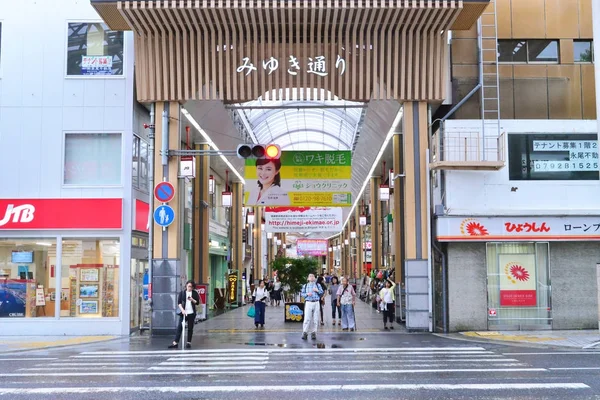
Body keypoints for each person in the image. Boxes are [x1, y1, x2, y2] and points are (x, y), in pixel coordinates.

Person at [168, 280, 200, 349]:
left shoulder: (194, 293)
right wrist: (182, 310)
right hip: (184, 313)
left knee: (190, 328)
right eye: (188, 286)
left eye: (191, 287)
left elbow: (197, 302)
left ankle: (188, 342)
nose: (190, 288)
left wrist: (192, 300)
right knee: (180, 327)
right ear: (186, 286)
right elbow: (179, 303)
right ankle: (175, 342)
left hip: (191, 313)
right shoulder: (182, 293)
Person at [300, 273, 323, 340]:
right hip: (308, 302)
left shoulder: (318, 285)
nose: (312, 277)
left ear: (315, 278)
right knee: (307, 318)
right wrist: (307, 294)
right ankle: (305, 332)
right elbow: (302, 293)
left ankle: (314, 332)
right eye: (310, 276)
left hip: (316, 302)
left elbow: (321, 293)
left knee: (315, 318)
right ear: (308, 278)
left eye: (313, 276)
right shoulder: (305, 285)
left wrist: (317, 290)